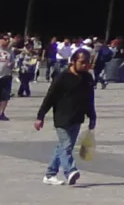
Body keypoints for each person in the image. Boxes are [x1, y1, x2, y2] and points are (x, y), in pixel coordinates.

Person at [34, 49, 98, 186]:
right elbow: (50, 97)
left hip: (77, 118)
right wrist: (40, 116)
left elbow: (89, 99)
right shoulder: (62, 77)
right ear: (73, 61)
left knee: (63, 146)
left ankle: (50, 174)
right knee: (67, 145)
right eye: (82, 62)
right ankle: (70, 171)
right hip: (62, 117)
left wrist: (92, 117)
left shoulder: (87, 78)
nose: (85, 65)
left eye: (87, 63)